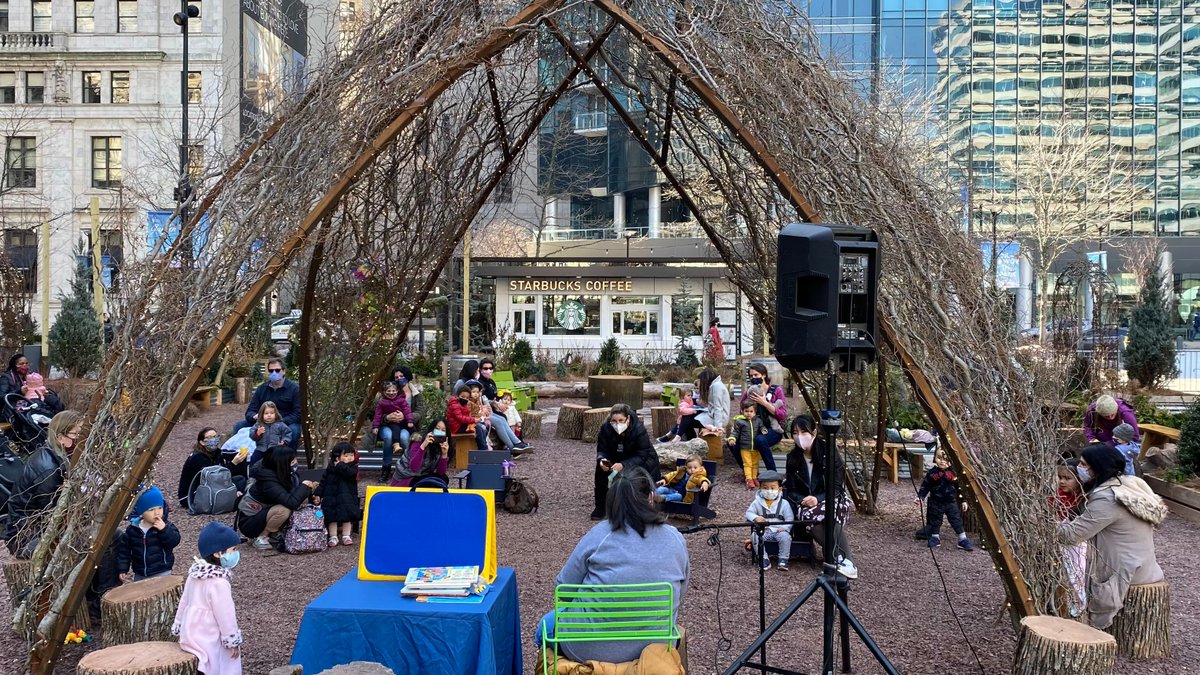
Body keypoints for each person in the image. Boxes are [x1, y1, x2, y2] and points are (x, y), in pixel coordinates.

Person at [537, 468, 688, 664]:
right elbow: (679, 593)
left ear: (612, 502)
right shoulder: (675, 538)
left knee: (545, 626)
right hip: (654, 648)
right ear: (651, 497)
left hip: (586, 648)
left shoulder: (600, 535)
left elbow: (564, 590)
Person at [1057, 444, 1167, 629]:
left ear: (1097, 467)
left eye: (1083, 464)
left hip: (1123, 574)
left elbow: (1071, 536)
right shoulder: (1127, 484)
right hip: (1140, 566)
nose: (1079, 468)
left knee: (1095, 627)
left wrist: (1041, 523)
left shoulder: (1108, 498)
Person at [784, 415, 858, 579]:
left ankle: (844, 560)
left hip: (831, 497)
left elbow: (837, 486)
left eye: (804, 432)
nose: (799, 436)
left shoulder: (829, 453)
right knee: (809, 516)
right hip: (806, 503)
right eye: (795, 433)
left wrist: (818, 498)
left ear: (814, 432)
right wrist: (803, 500)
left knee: (831, 512)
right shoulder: (792, 459)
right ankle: (839, 557)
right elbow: (791, 490)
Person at [5, 410, 83, 557]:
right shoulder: (49, 470)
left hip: (40, 529)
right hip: (26, 538)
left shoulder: (57, 455)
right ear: (60, 438)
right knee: (87, 543)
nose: (81, 439)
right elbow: (53, 516)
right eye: (76, 434)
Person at [173, 522, 243, 675]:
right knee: (225, 664)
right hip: (209, 633)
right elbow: (225, 615)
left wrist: (178, 623)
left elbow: (184, 601)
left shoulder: (195, 575)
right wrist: (232, 640)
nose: (236, 553)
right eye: (233, 550)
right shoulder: (219, 583)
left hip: (191, 632)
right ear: (218, 554)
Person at [240, 446, 318, 550]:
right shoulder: (268, 481)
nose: (295, 463)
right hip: (250, 522)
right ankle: (262, 536)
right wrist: (304, 486)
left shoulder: (285, 474)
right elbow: (291, 503)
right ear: (282, 463)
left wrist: (311, 494)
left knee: (302, 500)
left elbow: (293, 495)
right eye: (292, 461)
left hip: (266, 512)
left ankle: (278, 532)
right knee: (284, 510)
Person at [592, 404, 660, 520]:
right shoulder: (605, 428)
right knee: (600, 470)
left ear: (627, 419)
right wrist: (602, 459)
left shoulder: (638, 429)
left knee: (634, 477)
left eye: (621, 420)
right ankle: (600, 506)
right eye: (614, 421)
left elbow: (642, 454)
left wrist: (624, 464)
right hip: (616, 456)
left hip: (641, 459)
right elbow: (602, 449)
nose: (617, 424)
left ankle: (636, 504)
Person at [117, 486, 181, 582]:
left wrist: (164, 530)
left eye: (160, 508)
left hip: (162, 571)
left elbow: (174, 541)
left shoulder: (166, 526)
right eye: (151, 510)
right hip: (140, 573)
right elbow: (124, 551)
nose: (157, 513)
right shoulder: (133, 529)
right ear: (141, 512)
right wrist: (123, 569)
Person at [234, 359, 301, 450]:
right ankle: (242, 454)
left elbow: (297, 413)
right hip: (263, 421)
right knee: (239, 426)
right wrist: (254, 416)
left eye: (277, 370)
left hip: (286, 422)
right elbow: (250, 411)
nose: (274, 373)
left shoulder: (294, 389)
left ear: (284, 371)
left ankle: (289, 456)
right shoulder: (261, 389)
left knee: (294, 431)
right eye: (271, 371)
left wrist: (278, 422)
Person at [913, 451, 974, 551]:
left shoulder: (954, 473)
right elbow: (925, 486)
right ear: (934, 458)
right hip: (936, 502)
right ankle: (935, 537)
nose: (942, 461)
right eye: (939, 458)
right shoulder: (932, 473)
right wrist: (920, 497)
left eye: (946, 459)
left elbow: (960, 488)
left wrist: (964, 500)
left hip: (951, 502)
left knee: (956, 520)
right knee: (935, 520)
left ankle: (962, 538)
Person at [178, 428, 249, 509]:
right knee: (238, 483)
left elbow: (222, 475)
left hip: (209, 487)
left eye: (215, 436)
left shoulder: (216, 453)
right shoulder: (197, 457)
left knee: (240, 479)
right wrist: (233, 463)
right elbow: (215, 478)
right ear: (202, 442)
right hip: (191, 496)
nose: (213, 440)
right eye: (209, 437)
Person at [1053, 461, 1087, 617]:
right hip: (1059, 539)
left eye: (1067, 478)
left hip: (1077, 542)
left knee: (1077, 571)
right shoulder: (1057, 496)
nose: (1062, 481)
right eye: (1060, 477)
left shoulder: (1083, 499)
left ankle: (1079, 603)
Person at [740, 364, 787, 472]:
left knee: (760, 440)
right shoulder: (749, 392)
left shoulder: (776, 390)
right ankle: (749, 473)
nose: (753, 378)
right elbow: (742, 410)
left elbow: (782, 415)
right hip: (754, 428)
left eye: (756, 375)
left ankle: (772, 473)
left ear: (764, 375)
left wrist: (764, 403)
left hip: (773, 429)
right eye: (751, 376)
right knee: (734, 443)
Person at [478, 358, 531, 454]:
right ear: (480, 370)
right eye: (485, 368)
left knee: (509, 415)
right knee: (501, 419)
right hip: (485, 411)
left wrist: (501, 402)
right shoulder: (479, 384)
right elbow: (482, 400)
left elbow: (496, 396)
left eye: (490, 368)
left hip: (493, 409)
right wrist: (495, 403)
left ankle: (518, 442)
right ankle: (513, 447)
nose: (488, 370)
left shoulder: (491, 382)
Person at [314, 443, 360, 548]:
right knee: (331, 517)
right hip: (331, 496)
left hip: (347, 497)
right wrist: (318, 493)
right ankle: (333, 536)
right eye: (346, 455)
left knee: (347, 516)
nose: (350, 458)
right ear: (337, 457)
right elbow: (323, 481)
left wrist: (340, 465)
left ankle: (346, 536)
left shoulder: (353, 467)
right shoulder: (330, 468)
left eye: (351, 455)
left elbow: (349, 473)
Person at [746, 470, 794, 571]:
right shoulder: (757, 502)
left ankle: (783, 559)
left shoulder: (784, 503)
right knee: (755, 536)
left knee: (786, 538)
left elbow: (790, 518)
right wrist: (755, 518)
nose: (769, 491)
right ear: (760, 488)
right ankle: (763, 558)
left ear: (779, 489)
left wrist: (785, 527)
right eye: (765, 488)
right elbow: (749, 513)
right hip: (764, 530)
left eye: (772, 488)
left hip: (779, 530)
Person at [371, 380, 414, 482]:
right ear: (384, 392)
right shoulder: (381, 402)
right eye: (388, 391)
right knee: (388, 436)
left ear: (397, 391)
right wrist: (376, 426)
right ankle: (386, 468)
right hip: (386, 425)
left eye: (393, 391)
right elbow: (377, 415)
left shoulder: (402, 400)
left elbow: (408, 411)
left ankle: (408, 466)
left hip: (402, 425)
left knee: (404, 437)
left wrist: (409, 419)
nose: (391, 393)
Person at [730, 401, 765, 488]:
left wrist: (764, 430)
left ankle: (754, 477)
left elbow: (762, 427)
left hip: (756, 447)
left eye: (751, 411)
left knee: (755, 463)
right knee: (747, 463)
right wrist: (732, 438)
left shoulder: (758, 421)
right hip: (745, 447)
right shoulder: (740, 422)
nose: (749, 413)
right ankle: (749, 479)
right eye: (746, 411)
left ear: (755, 412)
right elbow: (735, 432)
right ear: (742, 411)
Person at [447, 383, 488, 451]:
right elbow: (460, 418)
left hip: (462, 424)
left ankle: (483, 446)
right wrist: (474, 420)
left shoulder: (463, 403)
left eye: (467, 398)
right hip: (457, 427)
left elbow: (466, 416)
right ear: (457, 395)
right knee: (478, 428)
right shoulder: (454, 405)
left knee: (483, 428)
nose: (465, 399)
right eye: (462, 396)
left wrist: (477, 419)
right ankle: (483, 449)